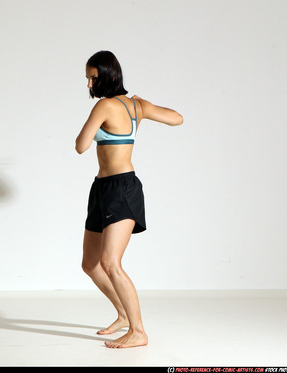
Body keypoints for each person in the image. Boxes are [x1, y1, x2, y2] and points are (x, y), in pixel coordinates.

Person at [75, 51, 183, 348]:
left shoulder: (104, 106)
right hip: (102, 188)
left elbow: (80, 146)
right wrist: (142, 106)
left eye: (92, 77)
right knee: (90, 264)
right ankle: (123, 315)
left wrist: (98, 121)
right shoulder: (137, 106)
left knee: (110, 263)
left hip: (121, 189)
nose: (88, 84)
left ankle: (138, 331)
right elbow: (177, 118)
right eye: (87, 77)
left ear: (108, 76)